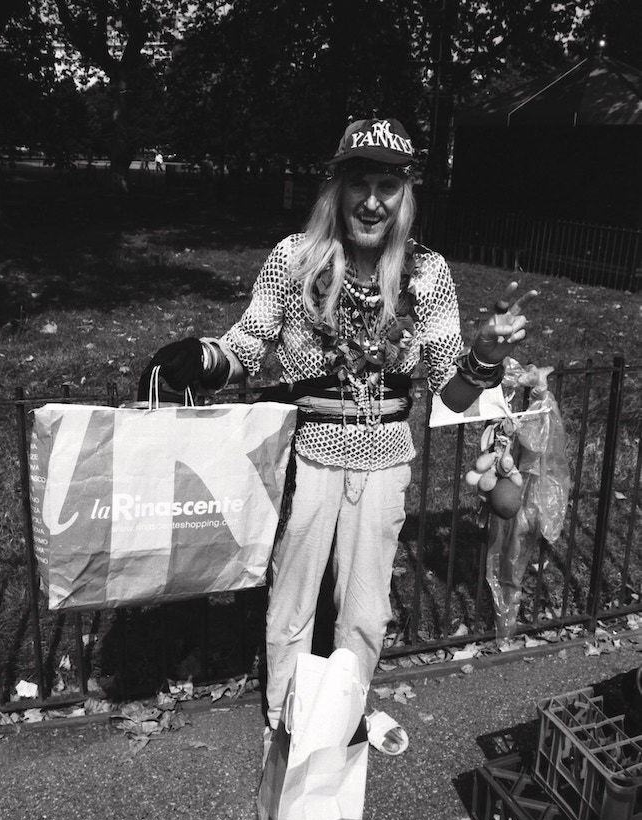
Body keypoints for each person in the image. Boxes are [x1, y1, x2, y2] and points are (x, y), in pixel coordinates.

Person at [142, 117, 536, 734]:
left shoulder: (427, 273)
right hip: (309, 455)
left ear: (405, 195)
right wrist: (203, 357)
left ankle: (342, 718)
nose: (372, 201)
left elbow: (452, 393)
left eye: (387, 186)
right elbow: (247, 343)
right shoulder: (294, 260)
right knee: (293, 597)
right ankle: (287, 722)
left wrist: (483, 354)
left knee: (366, 608)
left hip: (385, 460)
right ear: (337, 189)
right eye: (360, 184)